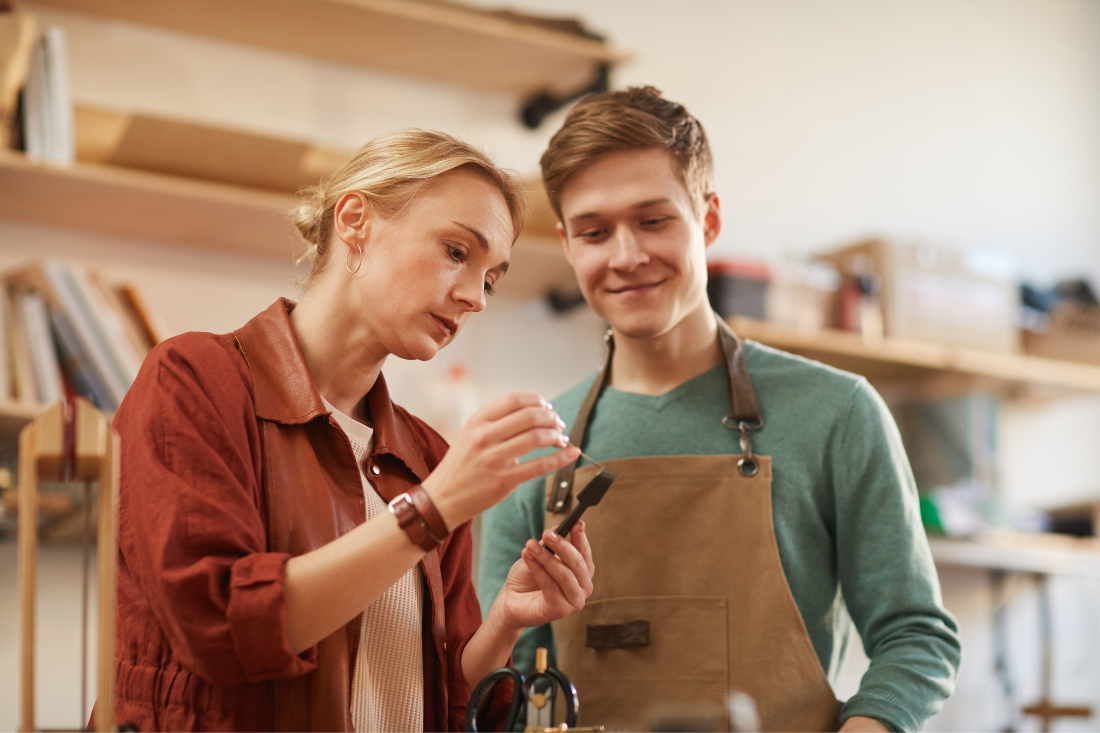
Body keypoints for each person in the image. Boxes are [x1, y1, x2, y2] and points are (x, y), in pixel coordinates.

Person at [479, 88, 961, 733]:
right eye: (595, 232)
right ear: (568, 245)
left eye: (654, 221)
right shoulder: (538, 446)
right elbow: (500, 673)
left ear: (707, 220)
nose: (626, 256)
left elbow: (916, 637)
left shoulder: (838, 411)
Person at [107, 130, 595, 732]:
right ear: (356, 221)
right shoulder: (195, 382)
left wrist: (507, 620)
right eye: (456, 251)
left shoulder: (429, 455)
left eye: (491, 279)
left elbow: (444, 699)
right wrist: (432, 510)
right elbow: (223, 628)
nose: (475, 298)